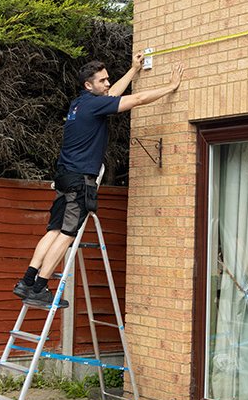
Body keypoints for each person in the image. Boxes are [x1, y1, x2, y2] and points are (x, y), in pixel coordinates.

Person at [13, 54, 184, 309]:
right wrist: (170, 87)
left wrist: (134, 70)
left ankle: (27, 281)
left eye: (107, 80)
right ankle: (39, 288)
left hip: (65, 178)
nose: (107, 83)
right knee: (67, 235)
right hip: (80, 181)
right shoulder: (94, 105)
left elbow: (112, 96)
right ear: (88, 86)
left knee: (54, 230)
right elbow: (136, 99)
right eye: (102, 81)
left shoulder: (79, 105)